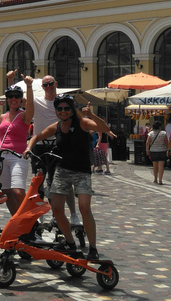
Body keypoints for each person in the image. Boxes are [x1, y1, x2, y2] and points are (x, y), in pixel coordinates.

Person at [26, 95, 114, 260]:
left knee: (84, 208)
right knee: (57, 209)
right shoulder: (57, 126)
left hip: (81, 172)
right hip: (62, 170)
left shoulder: (82, 123)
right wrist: (28, 148)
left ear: (72, 110)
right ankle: (70, 242)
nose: (63, 111)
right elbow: (37, 136)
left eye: (67, 108)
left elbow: (104, 128)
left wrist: (92, 115)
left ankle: (93, 248)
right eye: (60, 109)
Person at [8, 70, 82, 226]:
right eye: (45, 85)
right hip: (40, 146)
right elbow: (17, 99)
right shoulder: (37, 101)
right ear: (42, 87)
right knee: (38, 182)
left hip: (60, 145)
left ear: (56, 84)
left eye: (51, 84)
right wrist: (10, 81)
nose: (48, 87)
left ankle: (73, 214)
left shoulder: (63, 105)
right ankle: (39, 213)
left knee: (62, 182)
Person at [0, 76, 34, 215]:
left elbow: (31, 107)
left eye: (16, 97)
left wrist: (29, 86)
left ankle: (29, 219)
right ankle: (16, 220)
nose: (13, 99)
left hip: (17, 156)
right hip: (1, 156)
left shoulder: (24, 116)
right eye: (10, 96)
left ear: (21, 99)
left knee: (18, 190)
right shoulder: (3, 116)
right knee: (6, 192)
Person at [147, 120, 169, 185]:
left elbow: (147, 142)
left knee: (155, 166)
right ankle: (160, 180)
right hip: (162, 151)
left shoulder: (151, 133)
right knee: (161, 166)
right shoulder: (163, 133)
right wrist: (168, 149)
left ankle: (155, 179)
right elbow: (166, 142)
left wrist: (147, 150)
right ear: (160, 126)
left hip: (153, 151)